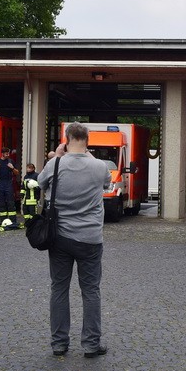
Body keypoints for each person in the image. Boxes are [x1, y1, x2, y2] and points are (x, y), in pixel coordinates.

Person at [38, 124, 112, 358]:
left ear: (67, 139)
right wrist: (86, 153)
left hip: (59, 236)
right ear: (88, 140)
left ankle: (59, 343)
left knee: (59, 288)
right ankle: (91, 344)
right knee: (91, 290)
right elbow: (106, 184)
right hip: (90, 238)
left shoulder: (55, 163)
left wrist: (59, 155)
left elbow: (40, 183)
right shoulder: (100, 166)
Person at [0, 147, 20, 230]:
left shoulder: (10, 161)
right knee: (1, 202)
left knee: (11, 202)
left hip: (8, 183)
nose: (8, 154)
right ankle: (3, 220)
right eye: (6, 153)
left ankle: (13, 220)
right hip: (0, 183)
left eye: (8, 153)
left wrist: (12, 168)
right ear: (2, 153)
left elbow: (17, 173)